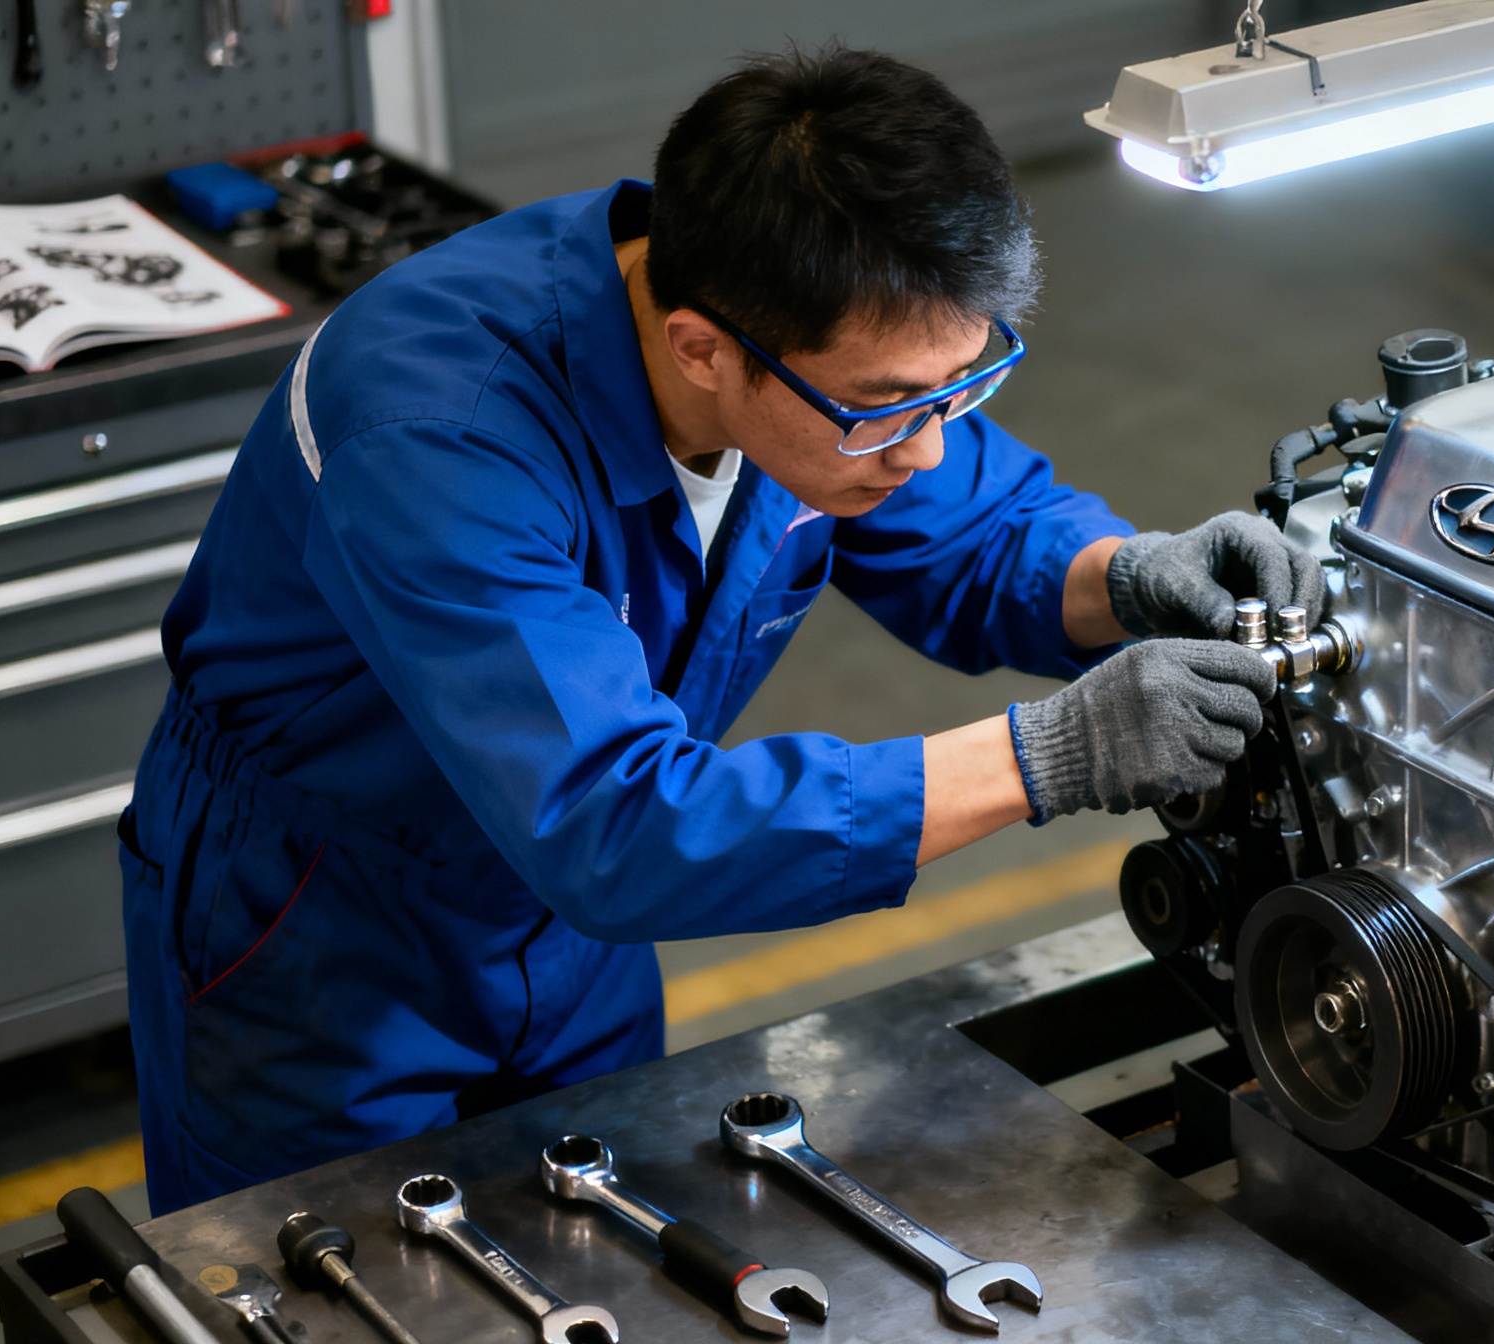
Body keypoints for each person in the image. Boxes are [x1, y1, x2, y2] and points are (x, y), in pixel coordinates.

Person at [119, 47, 1319, 1212]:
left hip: (574, 942)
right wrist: (1049, 754)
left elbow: (980, 531)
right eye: (889, 408)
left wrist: (1132, 577)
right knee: (321, 1283)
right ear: (701, 349)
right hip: (324, 940)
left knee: (601, 1243)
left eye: (961, 385)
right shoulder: (437, 430)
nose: (926, 447)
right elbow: (613, 824)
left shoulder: (811, 355)